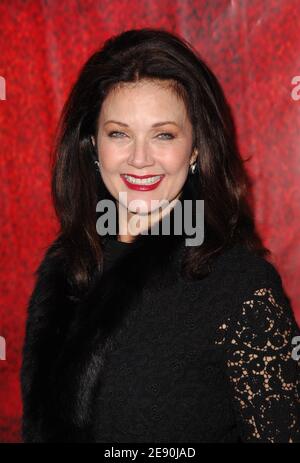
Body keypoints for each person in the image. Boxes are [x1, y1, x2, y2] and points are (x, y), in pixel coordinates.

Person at [20, 27, 300, 443]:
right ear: (92, 147)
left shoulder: (242, 287)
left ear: (196, 150)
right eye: (119, 133)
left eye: (163, 135)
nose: (139, 159)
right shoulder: (67, 268)